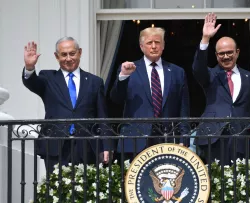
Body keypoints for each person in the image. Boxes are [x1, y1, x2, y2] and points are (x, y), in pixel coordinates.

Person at [22, 37, 112, 172]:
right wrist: (29, 67)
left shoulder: (95, 81)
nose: (68, 58)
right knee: (56, 189)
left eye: (72, 53)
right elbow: (32, 82)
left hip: (87, 145)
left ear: (79, 52)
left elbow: (102, 115)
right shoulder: (48, 77)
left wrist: (107, 145)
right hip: (56, 144)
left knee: (87, 190)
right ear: (56, 56)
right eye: (64, 54)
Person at [110, 27, 190, 159]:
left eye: (157, 42)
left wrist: (184, 137)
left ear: (163, 46)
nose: (154, 46)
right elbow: (116, 99)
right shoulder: (129, 69)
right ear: (141, 46)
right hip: (135, 140)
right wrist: (123, 76)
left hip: (167, 139)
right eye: (149, 43)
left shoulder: (177, 72)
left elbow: (183, 108)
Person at [192, 13, 250, 165]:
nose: (225, 56)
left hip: (241, 138)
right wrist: (205, 39)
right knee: (215, 181)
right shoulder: (210, 75)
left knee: (240, 182)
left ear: (237, 52)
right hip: (213, 137)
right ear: (216, 55)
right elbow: (197, 68)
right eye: (221, 53)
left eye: (229, 52)